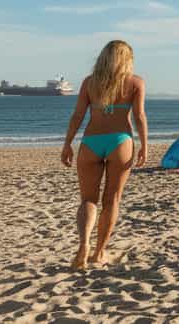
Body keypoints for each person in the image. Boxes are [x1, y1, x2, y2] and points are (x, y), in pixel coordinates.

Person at [61, 39, 148, 269]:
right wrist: (144, 145)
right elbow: (139, 116)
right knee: (112, 199)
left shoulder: (89, 83)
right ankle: (99, 252)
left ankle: (84, 244)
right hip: (120, 141)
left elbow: (77, 115)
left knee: (88, 199)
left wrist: (67, 144)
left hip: (91, 141)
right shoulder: (135, 82)